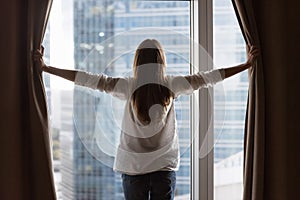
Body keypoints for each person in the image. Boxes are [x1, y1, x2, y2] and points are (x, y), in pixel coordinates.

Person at [34, 39, 259, 200]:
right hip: (164, 167)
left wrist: (47, 68)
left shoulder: (127, 86)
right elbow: (210, 78)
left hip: (132, 169)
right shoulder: (172, 85)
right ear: (161, 61)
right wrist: (246, 64)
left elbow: (86, 80)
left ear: (137, 62)